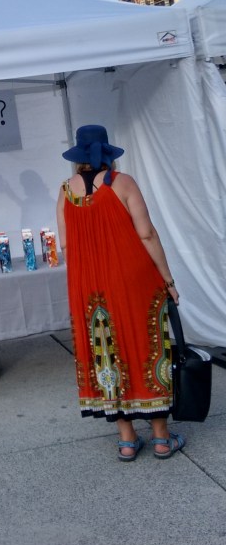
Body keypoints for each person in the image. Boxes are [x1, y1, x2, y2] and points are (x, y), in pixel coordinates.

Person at [56, 124, 185, 462]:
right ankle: (161, 437)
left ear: (78, 157)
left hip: (89, 284)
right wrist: (168, 279)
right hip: (131, 279)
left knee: (106, 352)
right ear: (107, 153)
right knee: (146, 346)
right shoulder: (123, 182)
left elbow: (66, 245)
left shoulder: (66, 191)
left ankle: (127, 440)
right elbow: (146, 234)